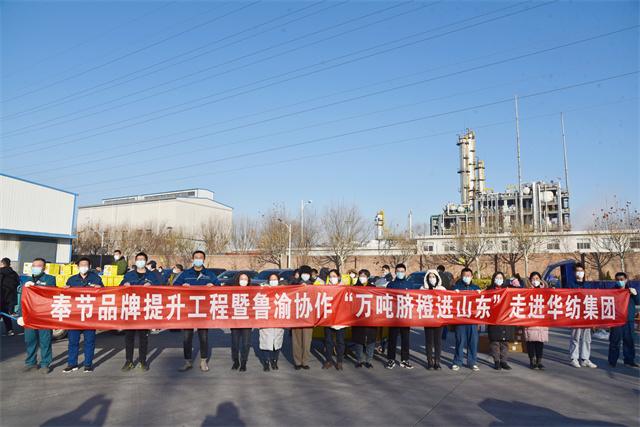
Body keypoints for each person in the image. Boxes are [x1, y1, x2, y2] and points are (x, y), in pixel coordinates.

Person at [174, 251, 221, 372]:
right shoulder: (185, 274)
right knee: (187, 338)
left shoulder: (209, 274)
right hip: (188, 311)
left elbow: (220, 288)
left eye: (200, 258)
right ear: (192, 259)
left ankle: (203, 362)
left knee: (203, 337)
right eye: (196, 257)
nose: (198, 259)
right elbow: (174, 286)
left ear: (204, 260)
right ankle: (187, 362)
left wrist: (213, 286)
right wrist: (182, 286)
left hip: (203, 311)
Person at [119, 252, 161, 372]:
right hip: (131, 310)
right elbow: (119, 288)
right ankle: (129, 361)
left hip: (144, 310)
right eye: (138, 259)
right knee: (129, 337)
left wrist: (152, 286)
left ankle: (143, 360)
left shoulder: (151, 276)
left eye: (142, 259)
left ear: (146, 262)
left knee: (143, 337)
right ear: (135, 261)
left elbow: (160, 289)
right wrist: (124, 285)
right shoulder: (129, 275)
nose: (140, 261)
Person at [62, 257, 103, 373]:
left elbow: (105, 294)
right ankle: (72, 364)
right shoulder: (72, 280)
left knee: (89, 341)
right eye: (81, 265)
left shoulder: (96, 279)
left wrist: (100, 289)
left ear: (89, 267)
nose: (83, 267)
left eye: (86, 265)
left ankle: (88, 364)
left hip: (90, 315)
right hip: (75, 315)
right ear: (77, 267)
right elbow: (65, 297)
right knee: (73, 341)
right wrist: (65, 289)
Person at [20, 258, 56, 374]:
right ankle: (31, 363)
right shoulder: (27, 281)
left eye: (39, 266)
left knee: (45, 340)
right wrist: (21, 315)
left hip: (44, 315)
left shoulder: (50, 279)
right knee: (30, 340)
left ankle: (45, 363)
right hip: (30, 316)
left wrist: (34, 286)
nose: (35, 268)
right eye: (34, 265)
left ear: (44, 268)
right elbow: (22, 300)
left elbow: (49, 291)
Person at [566, 262, 596, 368]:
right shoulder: (570, 285)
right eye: (578, 271)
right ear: (574, 273)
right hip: (576, 313)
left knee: (586, 337)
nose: (580, 272)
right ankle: (574, 358)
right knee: (575, 337)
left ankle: (585, 358)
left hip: (587, 313)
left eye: (581, 270)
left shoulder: (588, 285)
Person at [452, 267, 482, 371]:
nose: (466, 277)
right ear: (461, 276)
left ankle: (472, 362)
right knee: (460, 341)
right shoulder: (456, 288)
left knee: (473, 341)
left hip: (472, 320)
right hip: (460, 319)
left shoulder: (476, 288)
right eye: (464, 275)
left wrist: (480, 295)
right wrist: (454, 294)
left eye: (468, 275)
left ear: (472, 276)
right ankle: (457, 362)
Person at [386, 263, 414, 370]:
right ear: (395, 272)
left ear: (405, 272)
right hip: (393, 316)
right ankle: (391, 359)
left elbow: (414, 299)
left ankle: (404, 360)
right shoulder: (391, 284)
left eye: (402, 271)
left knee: (405, 339)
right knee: (392, 338)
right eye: (398, 271)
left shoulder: (409, 284)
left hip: (405, 316)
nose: (400, 273)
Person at [608, 272, 639, 368]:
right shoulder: (612, 291)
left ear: (626, 280)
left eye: (621, 279)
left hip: (628, 320)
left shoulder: (630, 291)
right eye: (617, 279)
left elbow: (638, 302)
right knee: (615, 340)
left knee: (629, 341)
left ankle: (629, 360)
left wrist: (636, 294)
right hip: (616, 320)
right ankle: (612, 360)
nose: (619, 281)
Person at [486, 271, 514, 370]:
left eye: (500, 278)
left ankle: (504, 361)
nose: (499, 280)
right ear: (493, 279)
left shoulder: (508, 290)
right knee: (495, 342)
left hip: (505, 320)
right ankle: (496, 361)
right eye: (497, 278)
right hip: (494, 319)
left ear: (504, 280)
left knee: (505, 342)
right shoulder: (489, 290)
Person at [421, 269, 446, 370]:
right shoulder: (422, 289)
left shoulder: (442, 289)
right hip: (428, 318)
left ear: (437, 278)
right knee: (429, 341)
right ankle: (429, 361)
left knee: (438, 341)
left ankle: (437, 361)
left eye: (434, 276)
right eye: (430, 277)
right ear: (427, 278)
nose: (432, 278)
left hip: (439, 318)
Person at [259, 273, 285, 372]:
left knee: (277, 342)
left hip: (278, 320)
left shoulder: (283, 290)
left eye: (275, 279)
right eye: (271, 279)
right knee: (265, 342)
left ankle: (274, 360)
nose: (273, 281)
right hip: (266, 320)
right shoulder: (263, 290)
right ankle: (266, 362)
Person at [322, 269, 347, 371]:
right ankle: (328, 361)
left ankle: (339, 362)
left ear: (339, 277)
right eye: (331, 276)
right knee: (328, 341)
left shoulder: (345, 288)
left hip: (341, 319)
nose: (332, 278)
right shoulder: (325, 288)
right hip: (329, 318)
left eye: (334, 276)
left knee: (340, 342)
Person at [524, 272, 549, 370]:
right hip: (530, 318)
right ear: (530, 280)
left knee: (540, 341)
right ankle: (532, 361)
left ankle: (539, 361)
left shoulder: (546, 291)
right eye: (533, 279)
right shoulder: (526, 291)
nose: (535, 281)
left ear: (540, 280)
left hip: (542, 319)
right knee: (531, 340)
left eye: (537, 278)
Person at [352, 269, 377, 369]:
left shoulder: (373, 288)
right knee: (358, 340)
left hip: (371, 317)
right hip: (358, 316)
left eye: (364, 276)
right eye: (360, 275)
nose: (362, 277)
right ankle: (359, 360)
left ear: (368, 277)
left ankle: (369, 361)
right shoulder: (354, 288)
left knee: (371, 340)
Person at [291, 265, 314, 370]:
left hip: (308, 317)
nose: (305, 275)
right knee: (296, 341)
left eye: (307, 273)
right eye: (303, 273)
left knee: (307, 341)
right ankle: (297, 362)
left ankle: (305, 362)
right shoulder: (294, 284)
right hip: (296, 316)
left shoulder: (314, 285)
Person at [230, 272, 253, 372]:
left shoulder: (252, 291)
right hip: (235, 320)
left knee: (246, 343)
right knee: (235, 342)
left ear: (248, 281)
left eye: (245, 279)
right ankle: (236, 360)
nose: (243, 281)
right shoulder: (232, 291)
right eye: (241, 279)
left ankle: (244, 361)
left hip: (247, 321)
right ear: (238, 280)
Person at [1, 257, 20, 336]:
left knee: (3, 312)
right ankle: (9, 330)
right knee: (5, 312)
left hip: (1, 295)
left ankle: (9, 330)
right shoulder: (13, 273)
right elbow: (18, 283)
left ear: (2, 263)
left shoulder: (1, 272)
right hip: (9, 297)